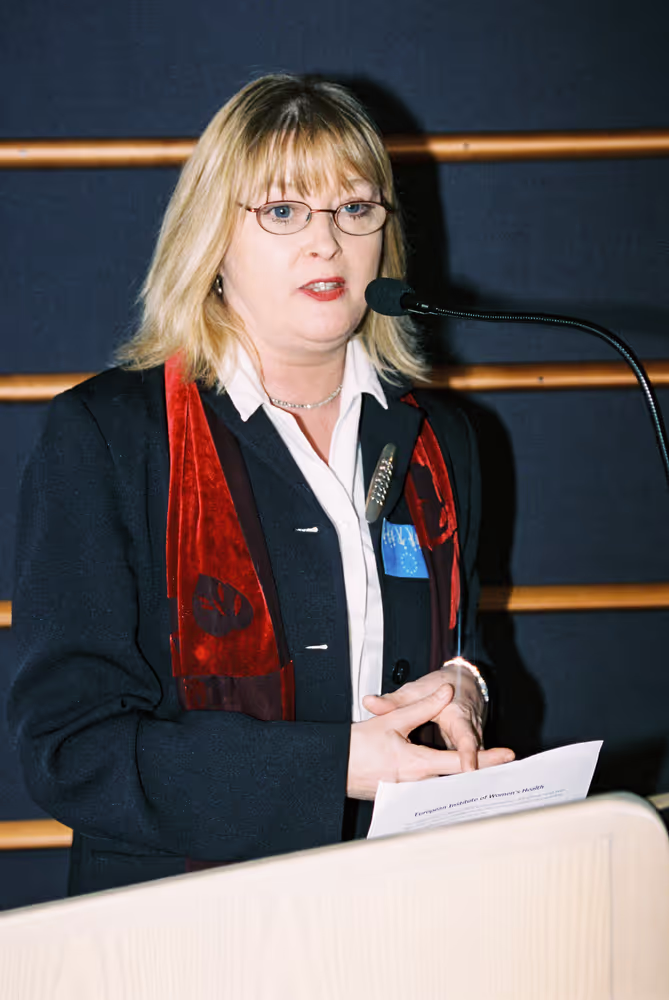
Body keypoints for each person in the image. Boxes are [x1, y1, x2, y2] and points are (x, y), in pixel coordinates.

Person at [8, 74, 514, 896]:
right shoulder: (109, 438)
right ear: (212, 238)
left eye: (355, 208)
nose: (327, 243)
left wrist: (466, 687)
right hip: (186, 920)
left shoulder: (435, 437)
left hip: (406, 899)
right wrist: (331, 768)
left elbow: (460, 638)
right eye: (283, 211)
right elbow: (70, 750)